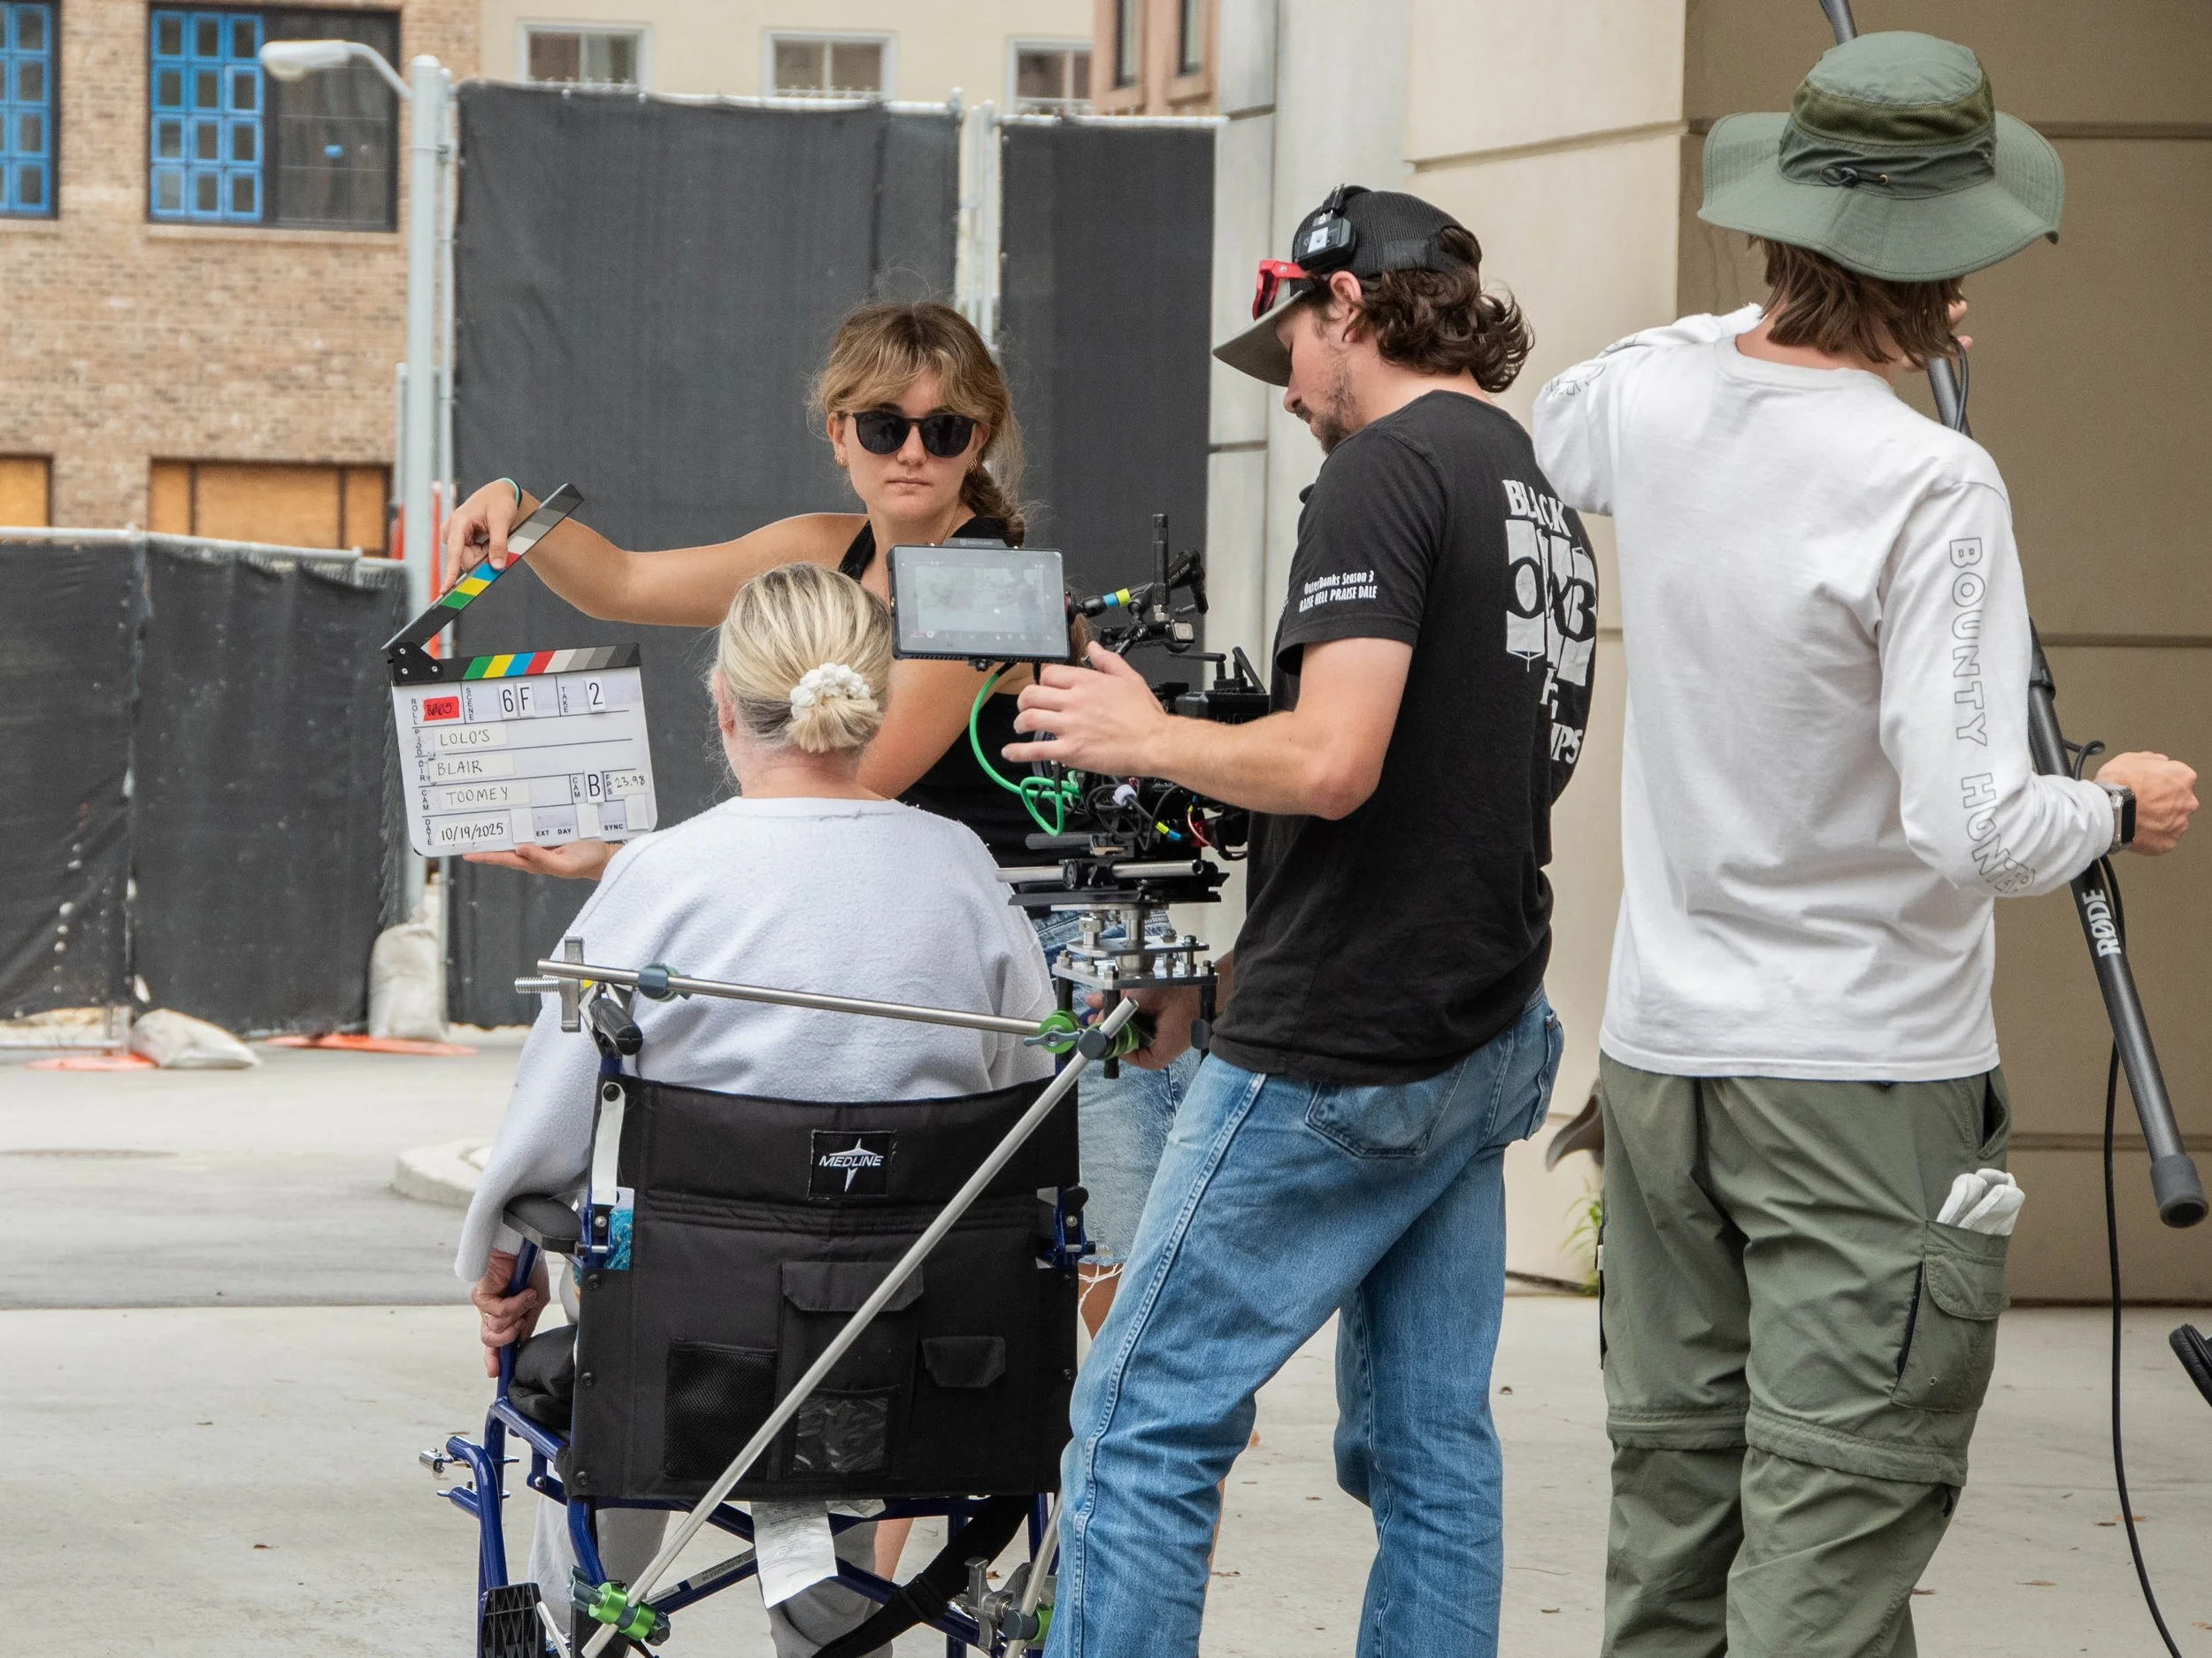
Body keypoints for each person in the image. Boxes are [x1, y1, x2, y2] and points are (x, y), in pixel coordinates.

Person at [1531, 32, 2199, 1658]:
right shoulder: (1929, 482)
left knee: (1679, 1528)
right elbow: (1972, 823)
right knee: (1830, 1539)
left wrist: (1749, 323)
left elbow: (1558, 418)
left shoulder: (1663, 397)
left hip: (1668, 1067)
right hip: (1860, 1082)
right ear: (1951, 255)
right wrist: (2119, 803)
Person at [442, 303, 1200, 1573]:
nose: (914, 450)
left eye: (946, 427)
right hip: (873, 922)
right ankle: (852, 1592)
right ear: (839, 433)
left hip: (1002, 938)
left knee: (1101, 1305)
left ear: (982, 441)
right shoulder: (815, 549)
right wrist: (519, 512)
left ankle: (1019, 1591)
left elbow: (847, 779)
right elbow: (625, 581)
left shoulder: (992, 585)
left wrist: (631, 859)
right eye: (885, 424)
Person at [1008, 187, 1593, 1658]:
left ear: (1350, 307)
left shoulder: (1386, 472)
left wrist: (1140, 734)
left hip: (1341, 1047)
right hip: (1480, 1026)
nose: (1294, 399)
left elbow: (1335, 762)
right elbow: (1480, 784)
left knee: (1141, 1408)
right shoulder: (1532, 492)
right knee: (1428, 1439)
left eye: (1296, 352)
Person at [457, 563, 1056, 1654]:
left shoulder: (660, 874)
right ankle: (827, 1622)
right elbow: (1021, 1106)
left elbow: (544, 1134)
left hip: (684, 1361)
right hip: (908, 1358)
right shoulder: (962, 866)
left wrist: (505, 1259)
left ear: (722, 702)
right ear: (869, 704)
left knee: (632, 1334)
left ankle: (567, 1631)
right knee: (821, 1322)